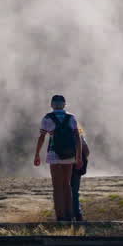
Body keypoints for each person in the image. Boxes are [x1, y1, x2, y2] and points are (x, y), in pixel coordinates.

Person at [33, 94, 82, 223]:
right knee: (67, 185)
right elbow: (77, 138)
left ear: (52, 105)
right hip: (69, 155)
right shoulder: (71, 118)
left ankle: (60, 216)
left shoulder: (47, 118)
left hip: (54, 154)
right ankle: (69, 215)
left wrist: (37, 154)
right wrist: (78, 156)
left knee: (57, 186)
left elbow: (42, 137)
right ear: (64, 104)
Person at [70, 128, 90, 222]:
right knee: (75, 192)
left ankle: (65, 215)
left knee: (62, 191)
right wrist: (82, 158)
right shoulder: (79, 135)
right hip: (76, 166)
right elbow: (86, 150)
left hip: (61, 164)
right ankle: (78, 215)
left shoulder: (58, 131)